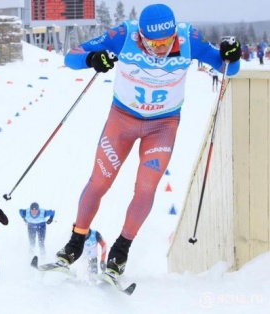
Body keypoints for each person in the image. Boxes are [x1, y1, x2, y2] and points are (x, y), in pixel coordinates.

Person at [55, 3, 241, 278]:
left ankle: (121, 250)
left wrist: (232, 54)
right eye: (152, 43)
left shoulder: (189, 39)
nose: (159, 50)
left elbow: (229, 68)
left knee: (146, 187)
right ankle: (76, 242)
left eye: (166, 43)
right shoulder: (123, 35)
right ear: (140, 36)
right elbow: (71, 57)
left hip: (163, 125)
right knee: (100, 180)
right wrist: (92, 59)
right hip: (122, 121)